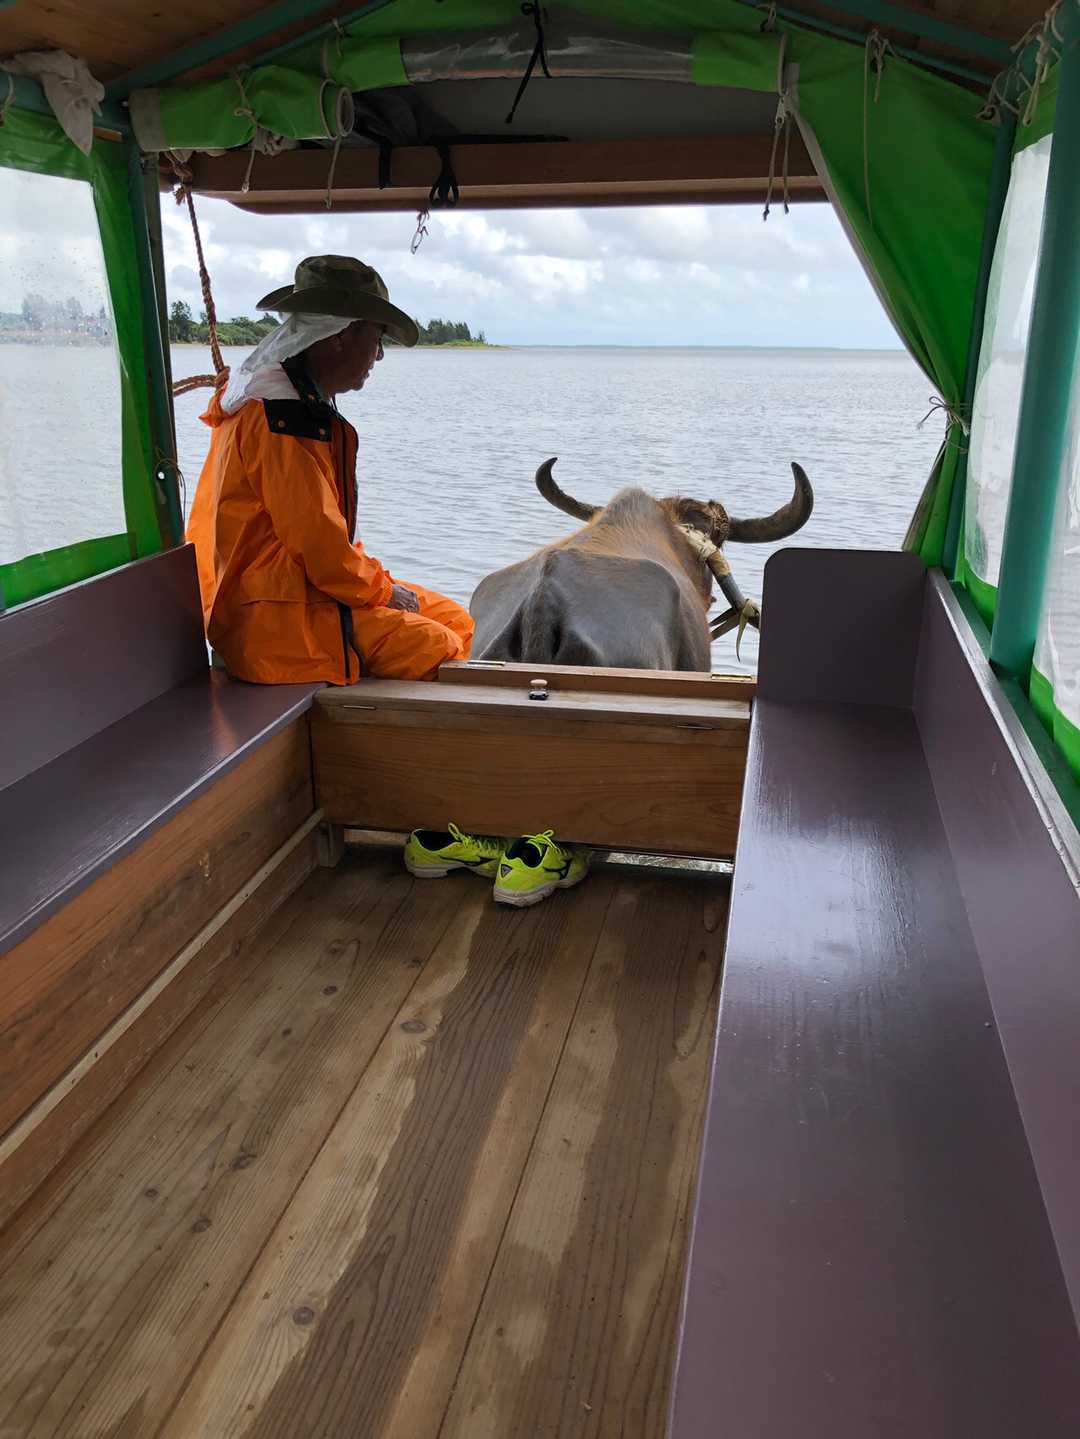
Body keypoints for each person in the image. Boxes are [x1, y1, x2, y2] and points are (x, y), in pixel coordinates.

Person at [186, 255, 474, 684]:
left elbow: (323, 547)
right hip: (275, 623)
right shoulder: (280, 418)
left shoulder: (288, 404)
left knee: (459, 622)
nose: (379, 355)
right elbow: (319, 547)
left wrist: (378, 587)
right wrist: (383, 591)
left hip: (297, 596)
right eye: (376, 338)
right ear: (340, 335)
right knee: (439, 646)